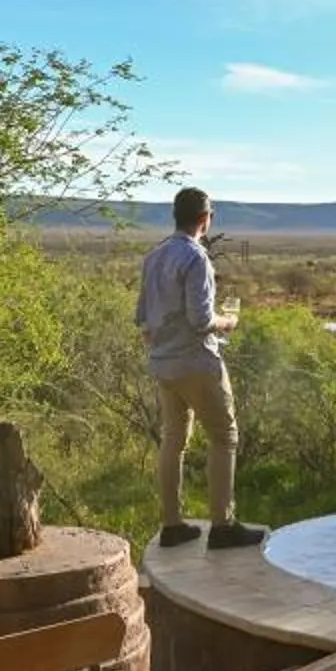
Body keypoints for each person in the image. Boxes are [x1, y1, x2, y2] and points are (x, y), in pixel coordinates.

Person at [135, 187, 264, 549]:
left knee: (173, 440)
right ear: (205, 219)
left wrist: (163, 347)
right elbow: (201, 319)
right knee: (225, 437)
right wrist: (228, 322)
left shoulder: (154, 257)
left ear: (176, 216)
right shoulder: (196, 258)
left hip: (163, 364)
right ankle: (223, 526)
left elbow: (143, 320)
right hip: (196, 362)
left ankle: (172, 525)